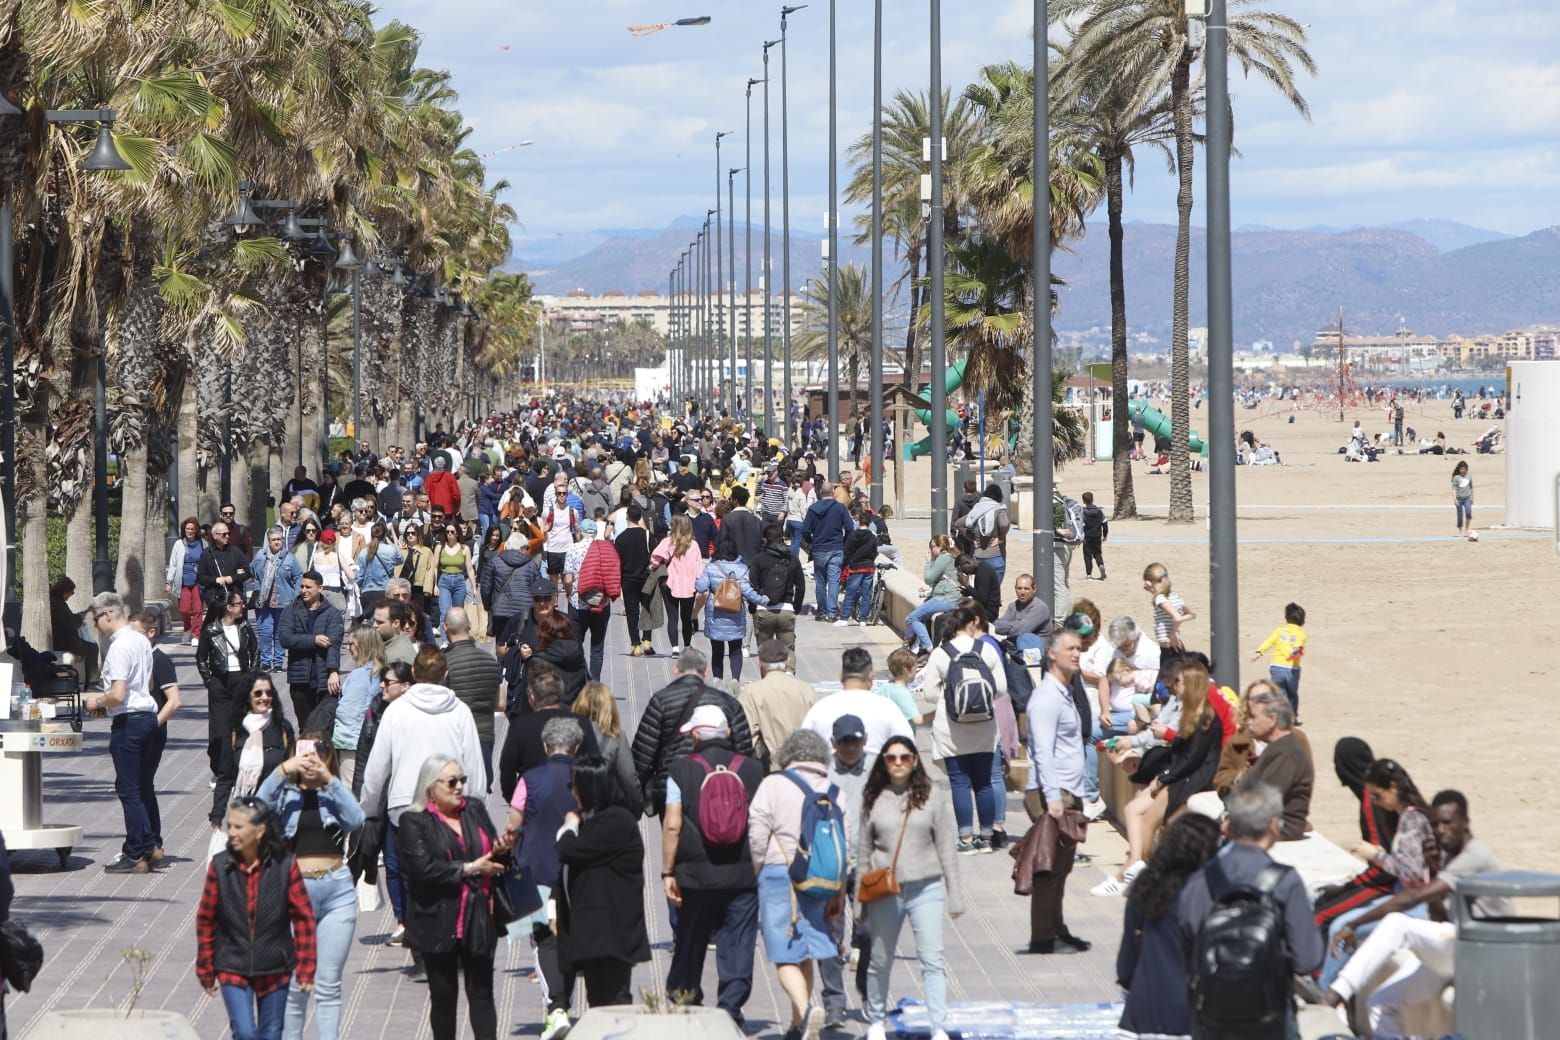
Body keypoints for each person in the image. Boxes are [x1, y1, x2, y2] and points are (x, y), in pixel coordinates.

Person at [1324, 790, 1513, 1038]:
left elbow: (1413, 897)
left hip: (1481, 954)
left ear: (1465, 822)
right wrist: (1433, 868)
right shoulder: (1448, 855)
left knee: (1397, 923)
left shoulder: (1474, 856)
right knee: (1381, 1003)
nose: (1440, 830)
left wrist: (1354, 924)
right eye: (1435, 824)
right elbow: (1439, 918)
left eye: (1448, 823)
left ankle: (1335, 994)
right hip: (1458, 951)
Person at [358, 647, 488, 957]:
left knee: (411, 878)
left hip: (404, 807)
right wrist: (476, 807)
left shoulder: (397, 711)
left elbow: (377, 768)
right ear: (445, 675)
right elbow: (474, 764)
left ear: (414, 675)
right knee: (450, 871)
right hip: (449, 806)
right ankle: (451, 940)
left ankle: (421, 950)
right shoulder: (459, 711)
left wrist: (368, 806)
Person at [1175, 784, 1323, 1040]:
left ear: (1229, 826)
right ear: (1274, 825)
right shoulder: (1286, 882)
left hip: (1210, 1016)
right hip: (1269, 1018)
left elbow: (1184, 946)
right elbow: (1307, 960)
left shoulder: (1201, 880)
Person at [256, 733, 364, 1040]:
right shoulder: (286, 796)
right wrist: (282, 770)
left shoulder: (333, 793)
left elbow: (356, 819)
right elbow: (257, 810)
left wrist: (329, 779)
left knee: (328, 984)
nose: (312, 756)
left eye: (320, 750)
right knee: (294, 984)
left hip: (337, 892)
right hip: (294, 893)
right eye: (305, 750)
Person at [748, 729, 851, 1040]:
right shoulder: (835, 790)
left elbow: (757, 832)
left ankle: (806, 1009)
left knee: (783, 953)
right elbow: (844, 844)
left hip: (779, 873)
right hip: (821, 878)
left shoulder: (773, 784)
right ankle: (799, 1026)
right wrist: (840, 892)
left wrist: (757, 869)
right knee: (804, 949)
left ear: (788, 754)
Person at [398, 755, 510, 1040]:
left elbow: (491, 851)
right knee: (444, 998)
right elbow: (422, 869)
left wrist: (502, 850)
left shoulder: (474, 809)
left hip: (479, 916)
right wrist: (470, 868)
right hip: (438, 920)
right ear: (430, 788)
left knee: (482, 995)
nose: (459, 786)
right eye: (451, 781)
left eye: (462, 780)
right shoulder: (414, 820)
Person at [858, 735, 961, 1040]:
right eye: (892, 758)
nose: (899, 763)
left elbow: (946, 848)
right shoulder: (874, 797)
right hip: (884, 890)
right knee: (879, 957)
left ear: (915, 760)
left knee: (932, 959)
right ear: (884, 762)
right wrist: (857, 903)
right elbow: (863, 852)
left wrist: (955, 894)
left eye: (905, 757)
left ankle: (938, 1025)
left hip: (925, 887)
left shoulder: (932, 797)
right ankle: (876, 1018)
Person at [1094, 660, 1224, 896]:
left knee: (1145, 817)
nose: (1174, 687)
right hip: (1179, 776)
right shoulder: (1189, 711)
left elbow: (1191, 757)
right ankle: (1132, 868)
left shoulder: (1203, 717)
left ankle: (1131, 872)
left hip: (1188, 780)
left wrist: (1162, 779)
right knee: (1135, 810)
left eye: (1179, 682)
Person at [196, 798, 318, 1040]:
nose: (231, 833)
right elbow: (206, 919)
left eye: (239, 827)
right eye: (230, 826)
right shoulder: (220, 867)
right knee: (245, 1033)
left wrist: (306, 969)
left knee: (271, 1035)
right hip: (232, 964)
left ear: (259, 831)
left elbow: (303, 918)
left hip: (275, 966)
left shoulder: (285, 865)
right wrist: (206, 967)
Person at [1318, 758, 1439, 990]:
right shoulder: (1403, 817)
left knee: (1341, 927)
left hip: (1416, 902)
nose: (1375, 802)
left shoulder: (1413, 819)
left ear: (1393, 787)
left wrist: (1376, 856)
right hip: (1402, 894)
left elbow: (1411, 871)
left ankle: (1327, 991)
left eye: (1377, 795)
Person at [503, 716, 583, 1040]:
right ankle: (563, 1002)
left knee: (544, 940)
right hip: (577, 872)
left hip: (537, 871)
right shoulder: (586, 778)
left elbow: (513, 825)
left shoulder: (530, 780)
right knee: (570, 938)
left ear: (546, 746)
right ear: (576, 748)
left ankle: (557, 1008)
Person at [556, 755, 653, 1010]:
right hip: (596, 929)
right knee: (597, 998)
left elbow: (568, 850)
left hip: (612, 930)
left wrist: (568, 827)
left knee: (615, 999)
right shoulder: (599, 818)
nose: (572, 792)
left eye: (574, 786)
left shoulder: (615, 821)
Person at [1114, 814, 1222, 1040]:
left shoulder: (1145, 887)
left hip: (1142, 1010)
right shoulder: (1207, 892)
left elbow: (1127, 959)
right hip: (1189, 1014)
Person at [1022, 628, 1092, 952]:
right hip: (1053, 792)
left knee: (1062, 867)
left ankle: (1056, 927)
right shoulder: (1047, 698)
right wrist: (1053, 798)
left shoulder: (1063, 692)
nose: (1077, 654)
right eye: (1070, 649)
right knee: (1048, 869)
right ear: (1052, 654)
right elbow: (1042, 751)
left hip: (1068, 790)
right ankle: (1042, 938)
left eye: (1079, 648)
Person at [84, 593, 163, 874]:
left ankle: (136, 851)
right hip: (148, 717)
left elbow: (117, 694)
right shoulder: (141, 640)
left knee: (129, 790)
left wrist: (97, 702)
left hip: (129, 722)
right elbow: (150, 681)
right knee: (141, 787)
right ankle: (150, 845)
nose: (96, 626)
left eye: (96, 620)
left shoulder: (119, 646)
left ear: (108, 614)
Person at [918, 607, 1007, 854]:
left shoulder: (940, 653)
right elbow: (1001, 688)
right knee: (984, 783)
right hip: (985, 726)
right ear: (972, 624)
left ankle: (966, 838)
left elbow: (929, 694)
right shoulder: (986, 649)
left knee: (960, 783)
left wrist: (951, 700)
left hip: (952, 726)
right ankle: (987, 837)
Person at [631, 647, 756, 816]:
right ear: (705, 672)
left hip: (670, 784)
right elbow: (744, 749)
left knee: (675, 834)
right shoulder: (727, 702)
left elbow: (643, 752)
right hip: (715, 782)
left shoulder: (661, 700)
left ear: (676, 670)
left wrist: (635, 797)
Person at [1313, 738, 1399, 935]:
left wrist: (1349, 887)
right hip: (1386, 876)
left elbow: (1382, 868)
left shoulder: (1371, 802)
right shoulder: (1376, 794)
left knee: (1321, 917)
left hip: (1386, 884)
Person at [498, 664, 601, 802]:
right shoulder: (581, 722)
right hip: (572, 800)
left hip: (533, 799)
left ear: (533, 697)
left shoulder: (520, 726)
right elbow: (594, 764)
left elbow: (507, 770)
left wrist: (516, 801)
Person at [212, 674, 297, 837]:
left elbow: (292, 773)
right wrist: (217, 818)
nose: (264, 698)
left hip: (276, 813)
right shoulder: (236, 730)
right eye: (258, 693)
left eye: (269, 693)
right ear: (247, 696)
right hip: (244, 816)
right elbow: (226, 776)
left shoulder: (282, 728)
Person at [799, 647, 915, 755]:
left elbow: (803, 750)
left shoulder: (821, 709)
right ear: (871, 677)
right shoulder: (888, 708)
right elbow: (908, 748)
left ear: (841, 676)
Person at [1232, 688, 1313, 841]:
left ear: (1272, 719)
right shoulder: (1277, 748)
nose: (1249, 722)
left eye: (1254, 717)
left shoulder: (1287, 753)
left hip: (1275, 831)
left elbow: (1266, 799)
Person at [440, 608, 501, 789]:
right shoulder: (489, 661)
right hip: (484, 734)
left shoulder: (443, 663)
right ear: (470, 626)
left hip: (455, 738)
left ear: (445, 627)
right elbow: (500, 703)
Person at [738, 638, 819, 771]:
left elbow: (747, 733)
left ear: (759, 662)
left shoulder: (751, 692)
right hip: (805, 767)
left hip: (771, 768)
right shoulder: (806, 689)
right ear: (787, 660)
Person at [278, 572, 344, 728]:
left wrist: (333, 671)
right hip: (300, 679)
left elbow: (334, 644)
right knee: (306, 727)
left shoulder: (332, 613)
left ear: (320, 588)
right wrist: (313, 640)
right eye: (301, 586)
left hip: (324, 680)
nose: (303, 590)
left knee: (325, 728)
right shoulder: (291, 610)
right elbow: (285, 638)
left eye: (308, 587)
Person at [696, 540, 769, 681]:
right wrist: (763, 600)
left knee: (717, 651)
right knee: (735, 650)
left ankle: (718, 680)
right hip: (735, 614)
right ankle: (735, 679)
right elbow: (748, 592)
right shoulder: (742, 569)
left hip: (715, 615)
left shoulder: (711, 567)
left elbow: (700, 587)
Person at [572, 681, 643, 815]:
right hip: (603, 810)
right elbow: (628, 777)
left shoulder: (570, 733)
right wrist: (637, 807)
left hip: (573, 808)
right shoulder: (616, 737)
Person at [563, 518, 621, 680]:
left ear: (580, 532)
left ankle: (577, 680)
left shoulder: (573, 549)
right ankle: (594, 685)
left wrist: (569, 594)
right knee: (597, 648)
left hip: (577, 605)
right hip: (601, 604)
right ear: (596, 533)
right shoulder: (606, 549)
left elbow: (568, 580)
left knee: (576, 645)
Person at [331, 627, 386, 786]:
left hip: (352, 743)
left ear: (363, 645)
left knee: (350, 791)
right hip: (373, 740)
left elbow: (348, 713)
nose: (348, 648)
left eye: (351, 644)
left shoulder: (360, 675)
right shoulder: (382, 671)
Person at [751, 523, 806, 663]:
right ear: (782, 538)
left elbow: (751, 584)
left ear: (764, 540)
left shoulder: (759, 559)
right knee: (788, 650)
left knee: (764, 650)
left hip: (764, 610)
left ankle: (768, 677)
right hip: (786, 609)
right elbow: (800, 586)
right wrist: (796, 607)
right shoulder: (792, 560)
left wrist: (753, 607)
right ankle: (788, 673)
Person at [251, 526, 304, 671]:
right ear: (268, 541)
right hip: (264, 603)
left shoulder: (290, 558)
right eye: (273, 540)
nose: (276, 542)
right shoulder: (260, 557)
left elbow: (299, 576)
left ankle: (279, 662)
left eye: (279, 539)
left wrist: (295, 594)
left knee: (280, 633)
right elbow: (252, 572)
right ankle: (266, 661)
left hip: (284, 601)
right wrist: (257, 587)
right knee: (265, 632)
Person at [652, 514, 706, 655]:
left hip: (669, 583)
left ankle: (674, 648)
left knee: (673, 617)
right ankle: (687, 646)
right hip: (689, 586)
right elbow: (699, 568)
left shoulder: (667, 542)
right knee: (686, 617)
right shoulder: (694, 545)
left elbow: (655, 558)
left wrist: (655, 566)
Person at [799, 485, 851, 621]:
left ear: (820, 493)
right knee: (834, 581)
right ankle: (832, 613)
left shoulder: (813, 509)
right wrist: (843, 541)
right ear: (832, 492)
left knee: (820, 582)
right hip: (836, 548)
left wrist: (810, 542)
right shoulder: (840, 508)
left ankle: (821, 612)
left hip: (819, 548)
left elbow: (805, 530)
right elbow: (850, 528)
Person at [903, 535, 962, 655]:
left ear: (941, 546)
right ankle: (917, 646)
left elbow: (929, 578)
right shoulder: (950, 557)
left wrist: (928, 562)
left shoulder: (944, 557)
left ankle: (929, 649)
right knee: (921, 617)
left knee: (912, 618)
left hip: (946, 599)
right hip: (949, 597)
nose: (930, 550)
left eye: (932, 547)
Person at [1251, 602, 1306, 717]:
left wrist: (1259, 652)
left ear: (1286, 618)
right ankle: (1292, 716)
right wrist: (1296, 651)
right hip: (1292, 669)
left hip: (1276, 667)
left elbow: (1269, 641)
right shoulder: (1301, 633)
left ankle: (1281, 715)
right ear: (1302, 621)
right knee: (1292, 693)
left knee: (1279, 693)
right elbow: (1298, 645)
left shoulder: (1279, 631)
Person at [959, 483, 1010, 586]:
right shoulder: (998, 509)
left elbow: (958, 524)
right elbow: (1004, 524)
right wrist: (1000, 538)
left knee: (982, 592)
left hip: (978, 556)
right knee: (994, 592)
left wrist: (971, 537)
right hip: (996, 555)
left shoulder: (977, 510)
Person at [166, 516, 207, 641]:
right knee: (184, 609)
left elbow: (208, 562)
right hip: (183, 581)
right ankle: (187, 628)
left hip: (198, 582)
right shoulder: (178, 544)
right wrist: (169, 581)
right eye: (187, 529)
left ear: (196, 530)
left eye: (192, 529)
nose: (190, 531)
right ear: (184, 530)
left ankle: (196, 635)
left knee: (198, 610)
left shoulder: (203, 544)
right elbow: (173, 564)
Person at [433, 522, 477, 633]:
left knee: (459, 613)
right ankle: (445, 641)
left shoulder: (464, 548)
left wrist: (474, 587)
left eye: (452, 532)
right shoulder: (440, 547)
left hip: (459, 580)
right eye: (447, 532)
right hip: (444, 580)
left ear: (457, 533)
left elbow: (470, 569)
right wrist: (434, 585)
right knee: (444, 612)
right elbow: (434, 567)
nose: (450, 534)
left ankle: (458, 638)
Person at [1142, 563, 1194, 652]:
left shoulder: (1160, 598)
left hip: (1168, 647)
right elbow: (1191, 614)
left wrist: (1172, 634)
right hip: (1177, 646)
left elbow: (1177, 618)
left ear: (1150, 582)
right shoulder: (1174, 595)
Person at [198, 521, 253, 604]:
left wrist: (232, 578)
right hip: (214, 598)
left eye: (228, 534)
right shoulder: (206, 553)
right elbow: (201, 577)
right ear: (215, 536)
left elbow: (247, 572)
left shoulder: (236, 551)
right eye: (224, 534)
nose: (227, 536)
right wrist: (216, 580)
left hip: (234, 597)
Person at [991, 573, 1053, 646]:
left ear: (1034, 589)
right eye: (1019, 588)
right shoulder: (1013, 606)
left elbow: (1021, 631)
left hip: (1037, 651)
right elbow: (997, 626)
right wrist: (1018, 624)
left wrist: (1014, 626)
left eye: (1026, 589)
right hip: (1017, 648)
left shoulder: (1039, 607)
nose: (1022, 592)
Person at [954, 553, 1001, 622]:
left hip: (989, 612)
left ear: (968, 563)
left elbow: (982, 598)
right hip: (983, 608)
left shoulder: (983, 571)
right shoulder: (981, 569)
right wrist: (967, 591)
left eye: (964, 570)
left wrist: (967, 585)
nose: (966, 573)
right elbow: (980, 592)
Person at [1080, 491, 1108, 580]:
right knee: (1097, 553)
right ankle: (1101, 565)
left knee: (1087, 555)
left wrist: (1080, 535)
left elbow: (1081, 525)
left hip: (1087, 537)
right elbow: (1105, 523)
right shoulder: (1099, 512)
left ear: (1083, 501)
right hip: (1097, 536)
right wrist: (1105, 535)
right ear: (1093, 500)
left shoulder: (1083, 512)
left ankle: (1089, 575)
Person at [1451, 460, 1474, 538]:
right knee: (1460, 515)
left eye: (1464, 469)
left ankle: (1466, 530)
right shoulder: (1456, 477)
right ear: (1459, 469)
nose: (1463, 470)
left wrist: (1472, 497)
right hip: (1459, 499)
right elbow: (1453, 489)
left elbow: (1471, 487)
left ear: (1467, 469)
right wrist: (1455, 499)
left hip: (1467, 498)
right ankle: (1460, 531)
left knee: (1468, 513)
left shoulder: (1469, 476)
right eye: (1461, 469)